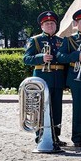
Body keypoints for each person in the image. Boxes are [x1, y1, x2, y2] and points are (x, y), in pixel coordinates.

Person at [23, 11, 66, 148]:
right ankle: (40, 136)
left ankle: (55, 136)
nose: (50, 26)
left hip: (57, 79)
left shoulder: (61, 41)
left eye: (52, 24)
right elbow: (26, 59)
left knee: (57, 109)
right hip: (42, 79)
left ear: (56, 25)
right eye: (47, 24)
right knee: (42, 108)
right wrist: (41, 58)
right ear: (42, 26)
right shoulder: (35, 40)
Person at [58, 8, 81, 147]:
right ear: (76, 23)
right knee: (79, 109)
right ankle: (77, 137)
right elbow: (60, 56)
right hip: (76, 78)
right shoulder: (70, 40)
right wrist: (75, 56)